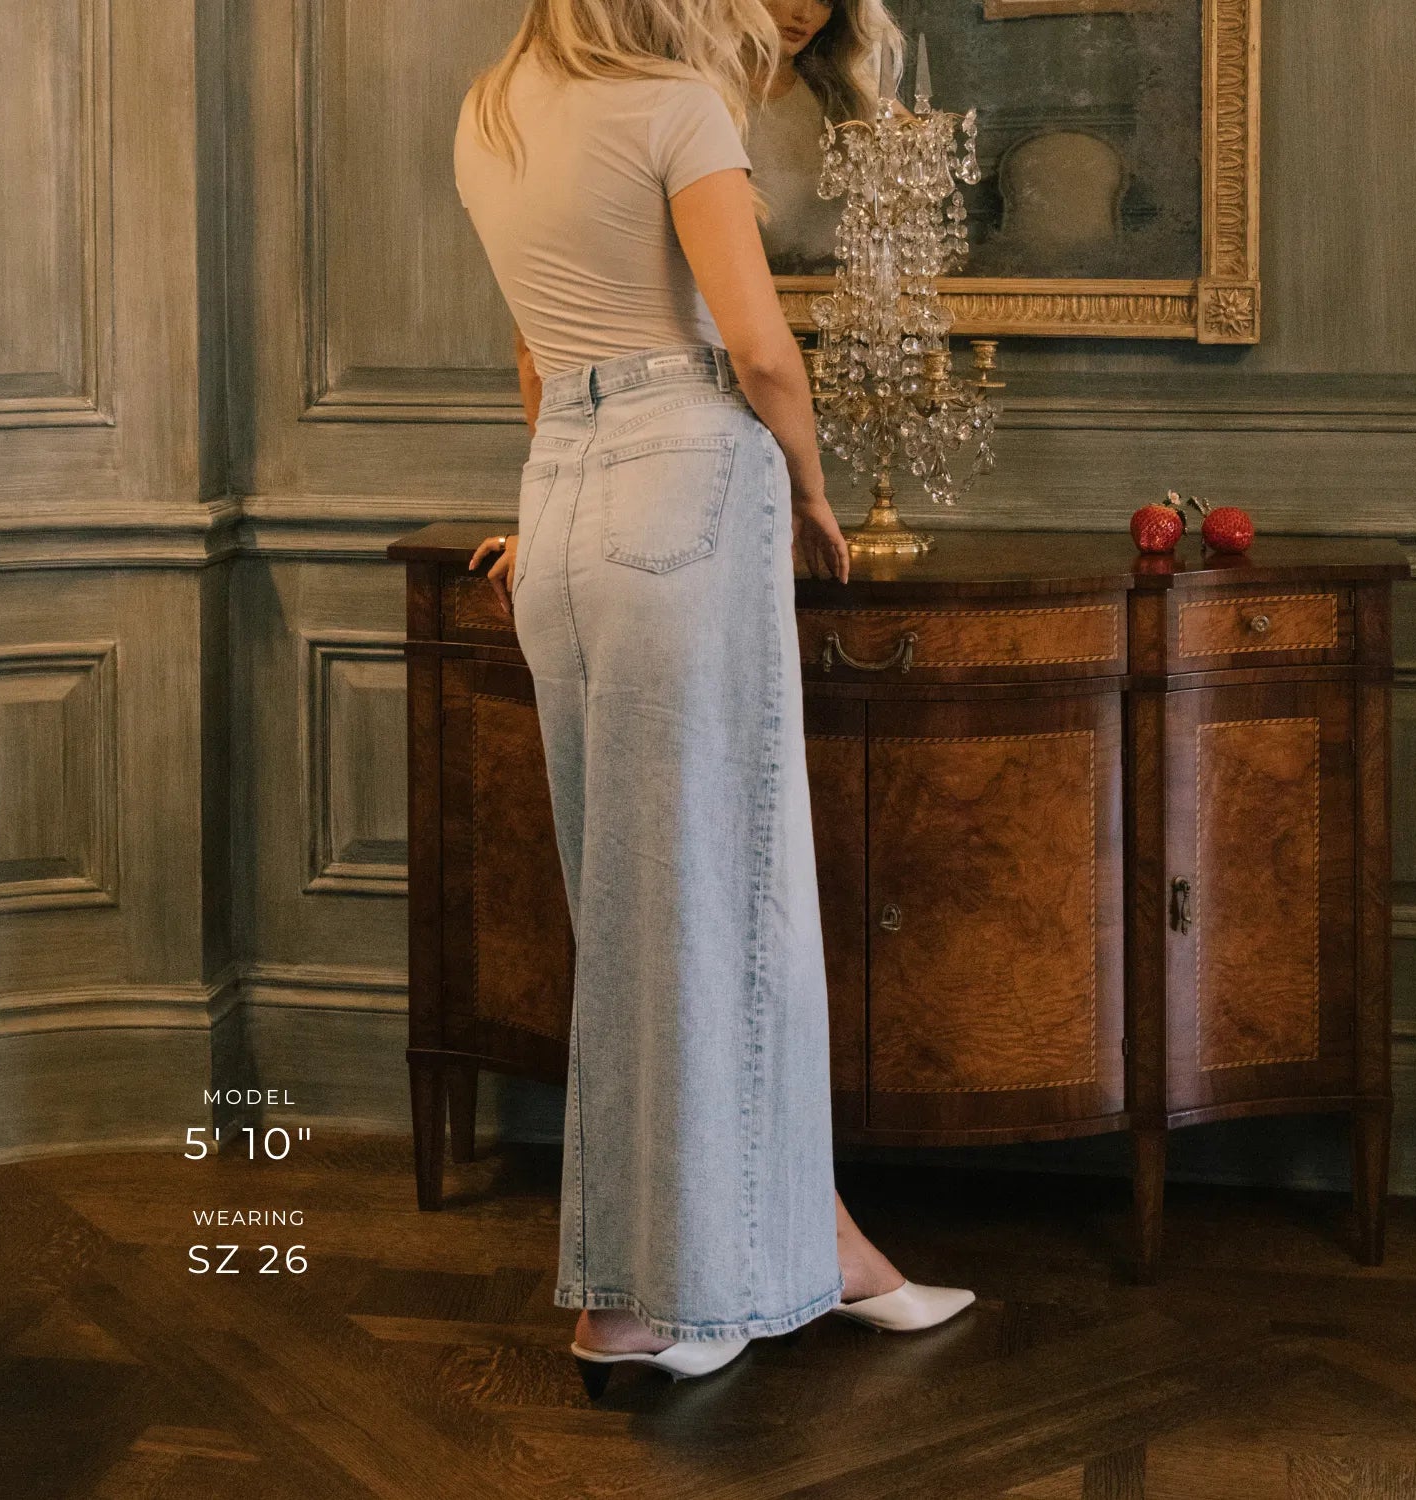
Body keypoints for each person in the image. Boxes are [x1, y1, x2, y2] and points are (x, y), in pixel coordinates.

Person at [453, 0, 976, 1395]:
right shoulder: (675, 108)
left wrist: (568, 501)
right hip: (688, 486)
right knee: (728, 908)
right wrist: (811, 493)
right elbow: (760, 353)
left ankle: (797, 1250)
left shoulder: (490, 115)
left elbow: (540, 361)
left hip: (560, 502)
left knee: (639, 914)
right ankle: (652, 1302)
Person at [746, 0, 904, 272]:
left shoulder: (851, 97)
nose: (805, 14)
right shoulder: (701, 96)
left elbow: (913, 196)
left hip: (838, 292)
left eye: (825, 1)